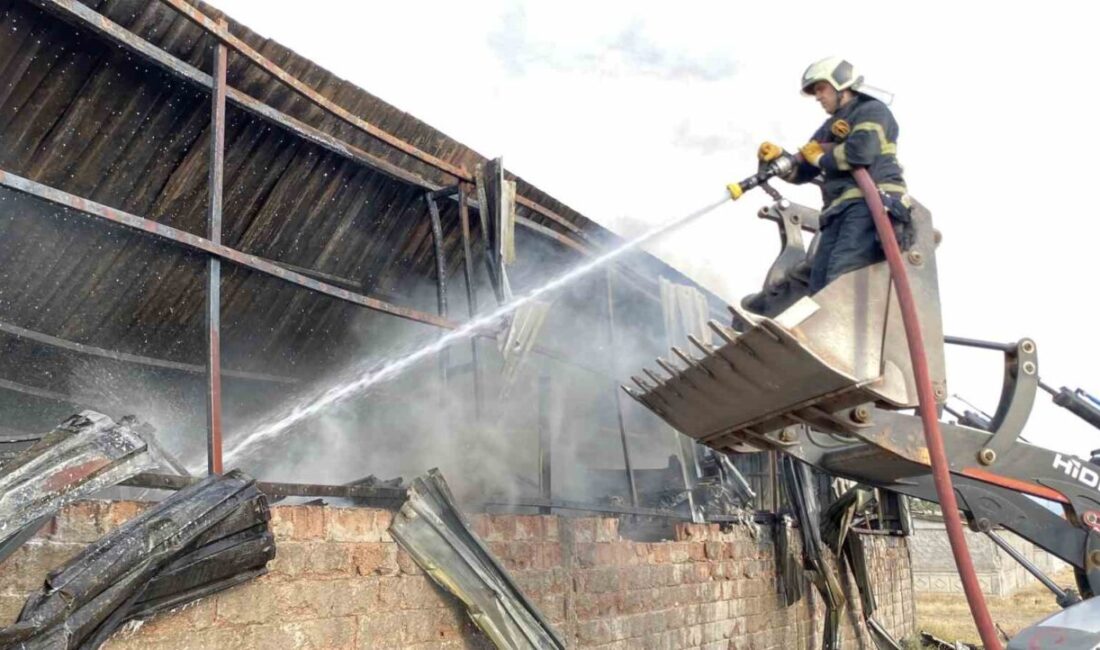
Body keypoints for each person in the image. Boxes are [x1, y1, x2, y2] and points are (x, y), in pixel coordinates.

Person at [758, 57, 913, 293]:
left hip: (870, 205)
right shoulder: (830, 125)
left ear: (842, 84)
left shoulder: (872, 110)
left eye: (821, 88)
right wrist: (780, 158)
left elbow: (860, 153)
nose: (818, 97)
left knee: (839, 278)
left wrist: (820, 158)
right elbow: (804, 170)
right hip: (837, 212)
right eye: (815, 92)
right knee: (820, 287)